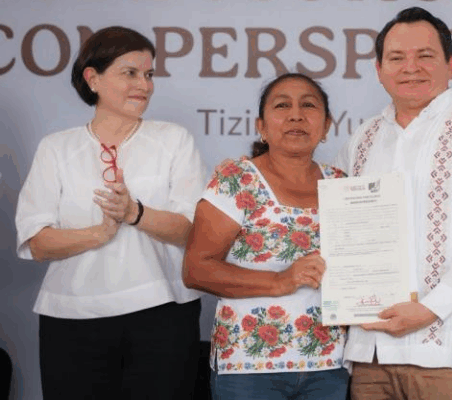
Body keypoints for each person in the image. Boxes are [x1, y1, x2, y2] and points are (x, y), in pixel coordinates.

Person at [335, 6, 452, 400]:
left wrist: (431, 308)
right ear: (379, 68)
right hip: (372, 356)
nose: (410, 68)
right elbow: (343, 233)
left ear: (451, 64)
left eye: (425, 56)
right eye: (397, 58)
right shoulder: (362, 139)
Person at [15, 26, 207, 399]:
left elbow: (191, 229)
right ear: (93, 78)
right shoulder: (56, 148)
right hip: (71, 321)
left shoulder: (173, 139)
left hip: (162, 316)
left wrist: (133, 212)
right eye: (130, 73)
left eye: (149, 75)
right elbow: (36, 241)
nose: (145, 85)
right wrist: (98, 234)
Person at [183, 73, 349, 400]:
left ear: (327, 125)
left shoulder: (342, 184)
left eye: (309, 106)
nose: (296, 115)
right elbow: (195, 269)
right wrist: (279, 281)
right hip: (249, 369)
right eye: (282, 105)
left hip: (328, 364)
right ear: (262, 125)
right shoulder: (237, 179)